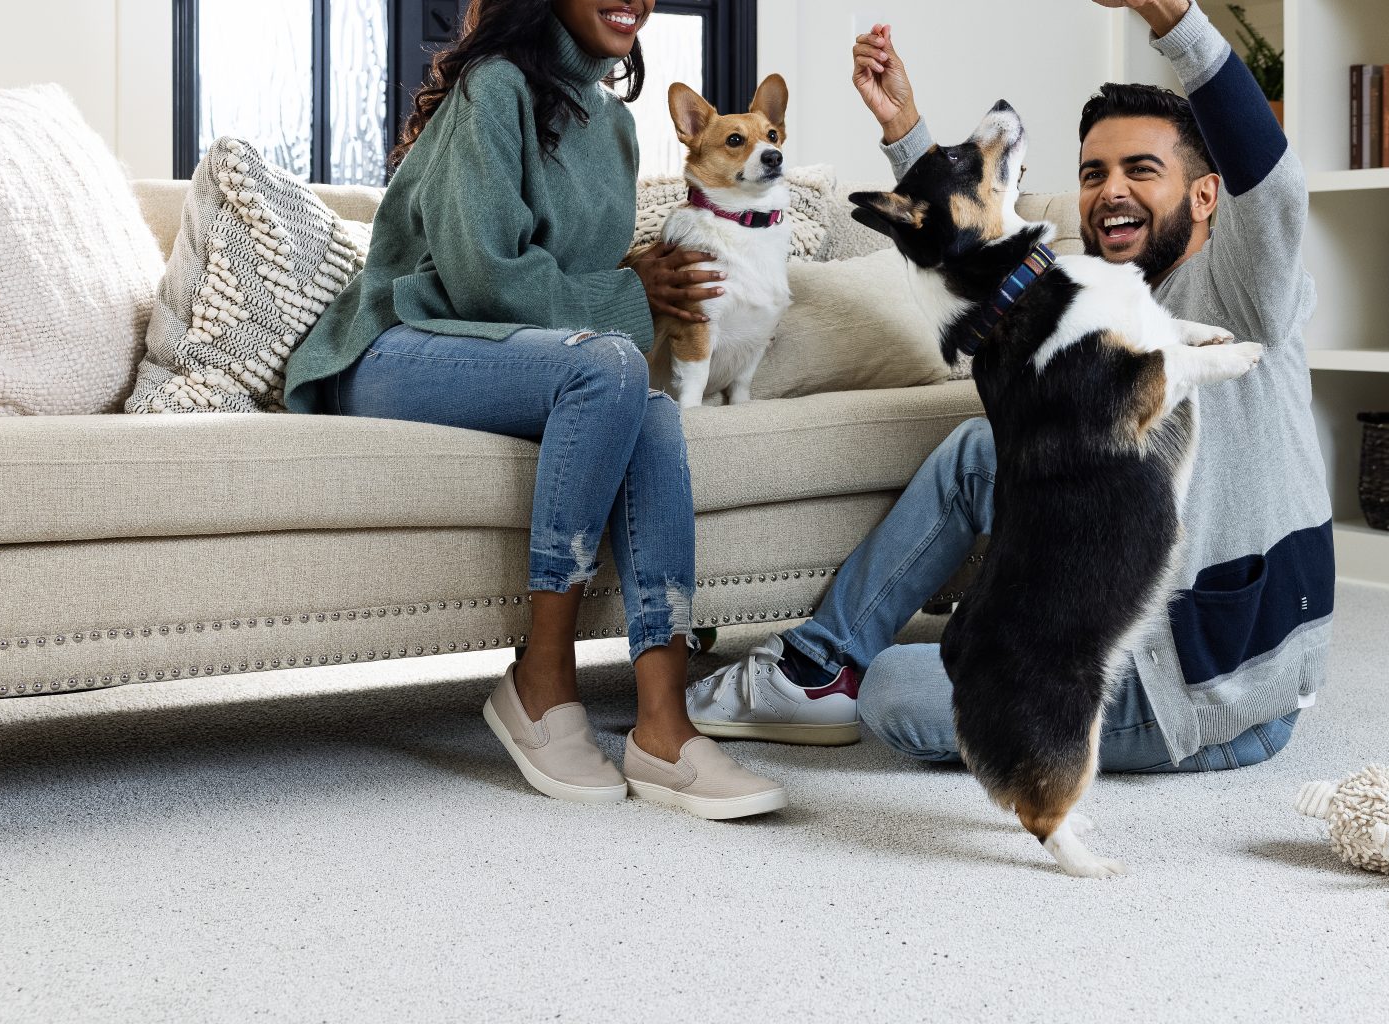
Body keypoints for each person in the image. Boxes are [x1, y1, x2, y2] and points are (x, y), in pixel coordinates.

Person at [688, 0, 1333, 775]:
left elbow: (1277, 190)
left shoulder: (1243, 289)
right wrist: (905, 129)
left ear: (1204, 198)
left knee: (894, 689)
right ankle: (813, 667)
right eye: (1095, 173)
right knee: (980, 452)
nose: (1110, 192)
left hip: (1195, 686)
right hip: (1124, 604)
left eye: (1142, 171)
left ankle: (891, 674)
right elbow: (975, 259)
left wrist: (1175, 20)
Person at [283, 0, 786, 818]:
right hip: (394, 344)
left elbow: (573, 297)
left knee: (651, 406)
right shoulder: (494, 87)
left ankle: (663, 722)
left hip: (500, 357)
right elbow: (483, 276)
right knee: (611, 366)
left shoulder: (613, 128)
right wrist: (632, 290)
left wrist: (633, 283)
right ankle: (540, 679)